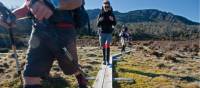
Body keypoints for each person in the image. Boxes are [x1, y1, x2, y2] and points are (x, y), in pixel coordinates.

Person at [0, 0, 88, 88]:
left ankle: (80, 76)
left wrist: (51, 3)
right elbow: (27, 6)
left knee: (71, 66)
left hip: (64, 31)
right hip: (39, 32)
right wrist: (11, 16)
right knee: (30, 75)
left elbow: (77, 1)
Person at [97, 0, 117, 65]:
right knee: (103, 46)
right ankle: (104, 60)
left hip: (109, 33)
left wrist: (112, 20)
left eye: (107, 6)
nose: (106, 8)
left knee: (107, 46)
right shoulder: (100, 14)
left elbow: (115, 23)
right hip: (102, 33)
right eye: (105, 6)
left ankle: (107, 60)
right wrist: (99, 21)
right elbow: (98, 25)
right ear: (103, 6)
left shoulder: (111, 14)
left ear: (109, 6)